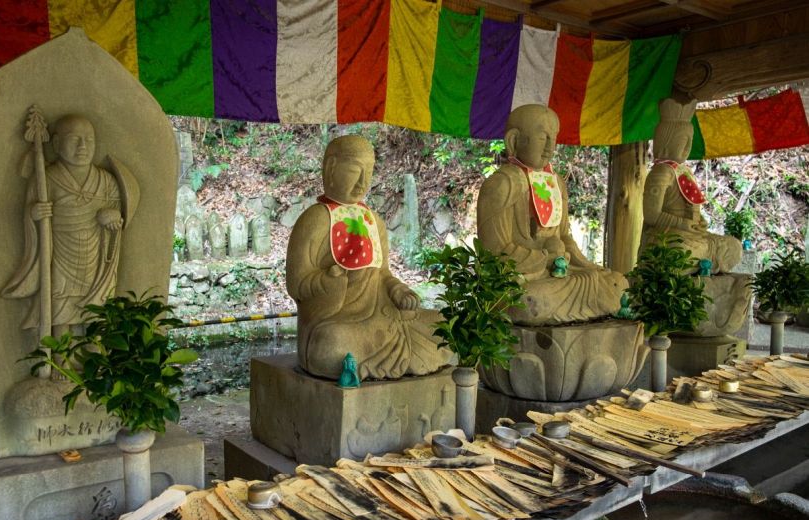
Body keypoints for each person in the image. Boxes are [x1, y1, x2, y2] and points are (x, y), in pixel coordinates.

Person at [286, 135, 452, 380]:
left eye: (370, 171)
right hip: (337, 323)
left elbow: (382, 273)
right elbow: (296, 284)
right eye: (355, 170)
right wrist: (328, 282)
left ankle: (383, 354)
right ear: (331, 168)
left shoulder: (373, 220)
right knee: (331, 345)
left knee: (445, 326)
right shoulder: (314, 219)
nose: (363, 181)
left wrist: (398, 291)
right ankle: (391, 354)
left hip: (383, 318)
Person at [477, 104, 626, 325]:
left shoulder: (556, 182)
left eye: (553, 138)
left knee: (614, 282)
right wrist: (544, 255)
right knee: (529, 301)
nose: (549, 147)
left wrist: (587, 266)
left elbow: (565, 237)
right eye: (541, 137)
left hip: (558, 274)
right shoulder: (501, 185)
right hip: (523, 279)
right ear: (513, 140)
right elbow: (493, 254)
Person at [2, 115, 135, 335]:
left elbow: (118, 216)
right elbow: (29, 214)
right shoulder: (46, 180)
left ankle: (95, 356)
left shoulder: (107, 182)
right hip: (61, 256)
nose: (83, 146)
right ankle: (60, 361)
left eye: (89, 140)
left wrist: (112, 217)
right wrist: (34, 214)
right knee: (60, 309)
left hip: (96, 260)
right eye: (74, 139)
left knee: (95, 310)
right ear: (55, 144)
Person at [641, 98, 741, 274]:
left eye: (689, 141)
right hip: (667, 236)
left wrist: (699, 221)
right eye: (683, 141)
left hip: (692, 234)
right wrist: (682, 224)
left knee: (733, 246)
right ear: (668, 140)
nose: (687, 148)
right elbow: (651, 215)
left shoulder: (682, 171)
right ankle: (700, 263)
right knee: (680, 252)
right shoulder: (661, 172)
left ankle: (702, 262)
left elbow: (691, 206)